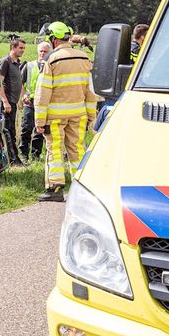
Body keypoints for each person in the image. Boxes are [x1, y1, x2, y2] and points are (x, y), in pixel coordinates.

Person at [34, 21, 98, 202]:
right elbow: (90, 92)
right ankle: (81, 189)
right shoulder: (84, 58)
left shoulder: (52, 60)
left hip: (55, 118)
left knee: (54, 150)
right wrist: (90, 117)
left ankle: (54, 189)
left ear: (53, 39)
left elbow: (42, 93)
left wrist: (39, 121)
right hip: (78, 114)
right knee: (77, 149)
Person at [0, 38, 27, 166]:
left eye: (24, 48)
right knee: (8, 131)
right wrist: (5, 101)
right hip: (7, 103)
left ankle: (14, 159)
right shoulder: (5, 62)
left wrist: (23, 97)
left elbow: (19, 82)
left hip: (14, 102)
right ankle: (13, 161)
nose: (23, 51)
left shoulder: (17, 63)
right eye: (20, 48)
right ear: (12, 48)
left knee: (12, 131)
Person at [19, 41, 51, 160]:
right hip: (30, 102)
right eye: (41, 51)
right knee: (26, 128)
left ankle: (36, 155)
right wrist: (23, 96)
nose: (42, 53)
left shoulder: (51, 66)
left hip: (44, 103)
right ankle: (23, 154)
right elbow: (21, 83)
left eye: (45, 51)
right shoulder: (29, 65)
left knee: (40, 130)